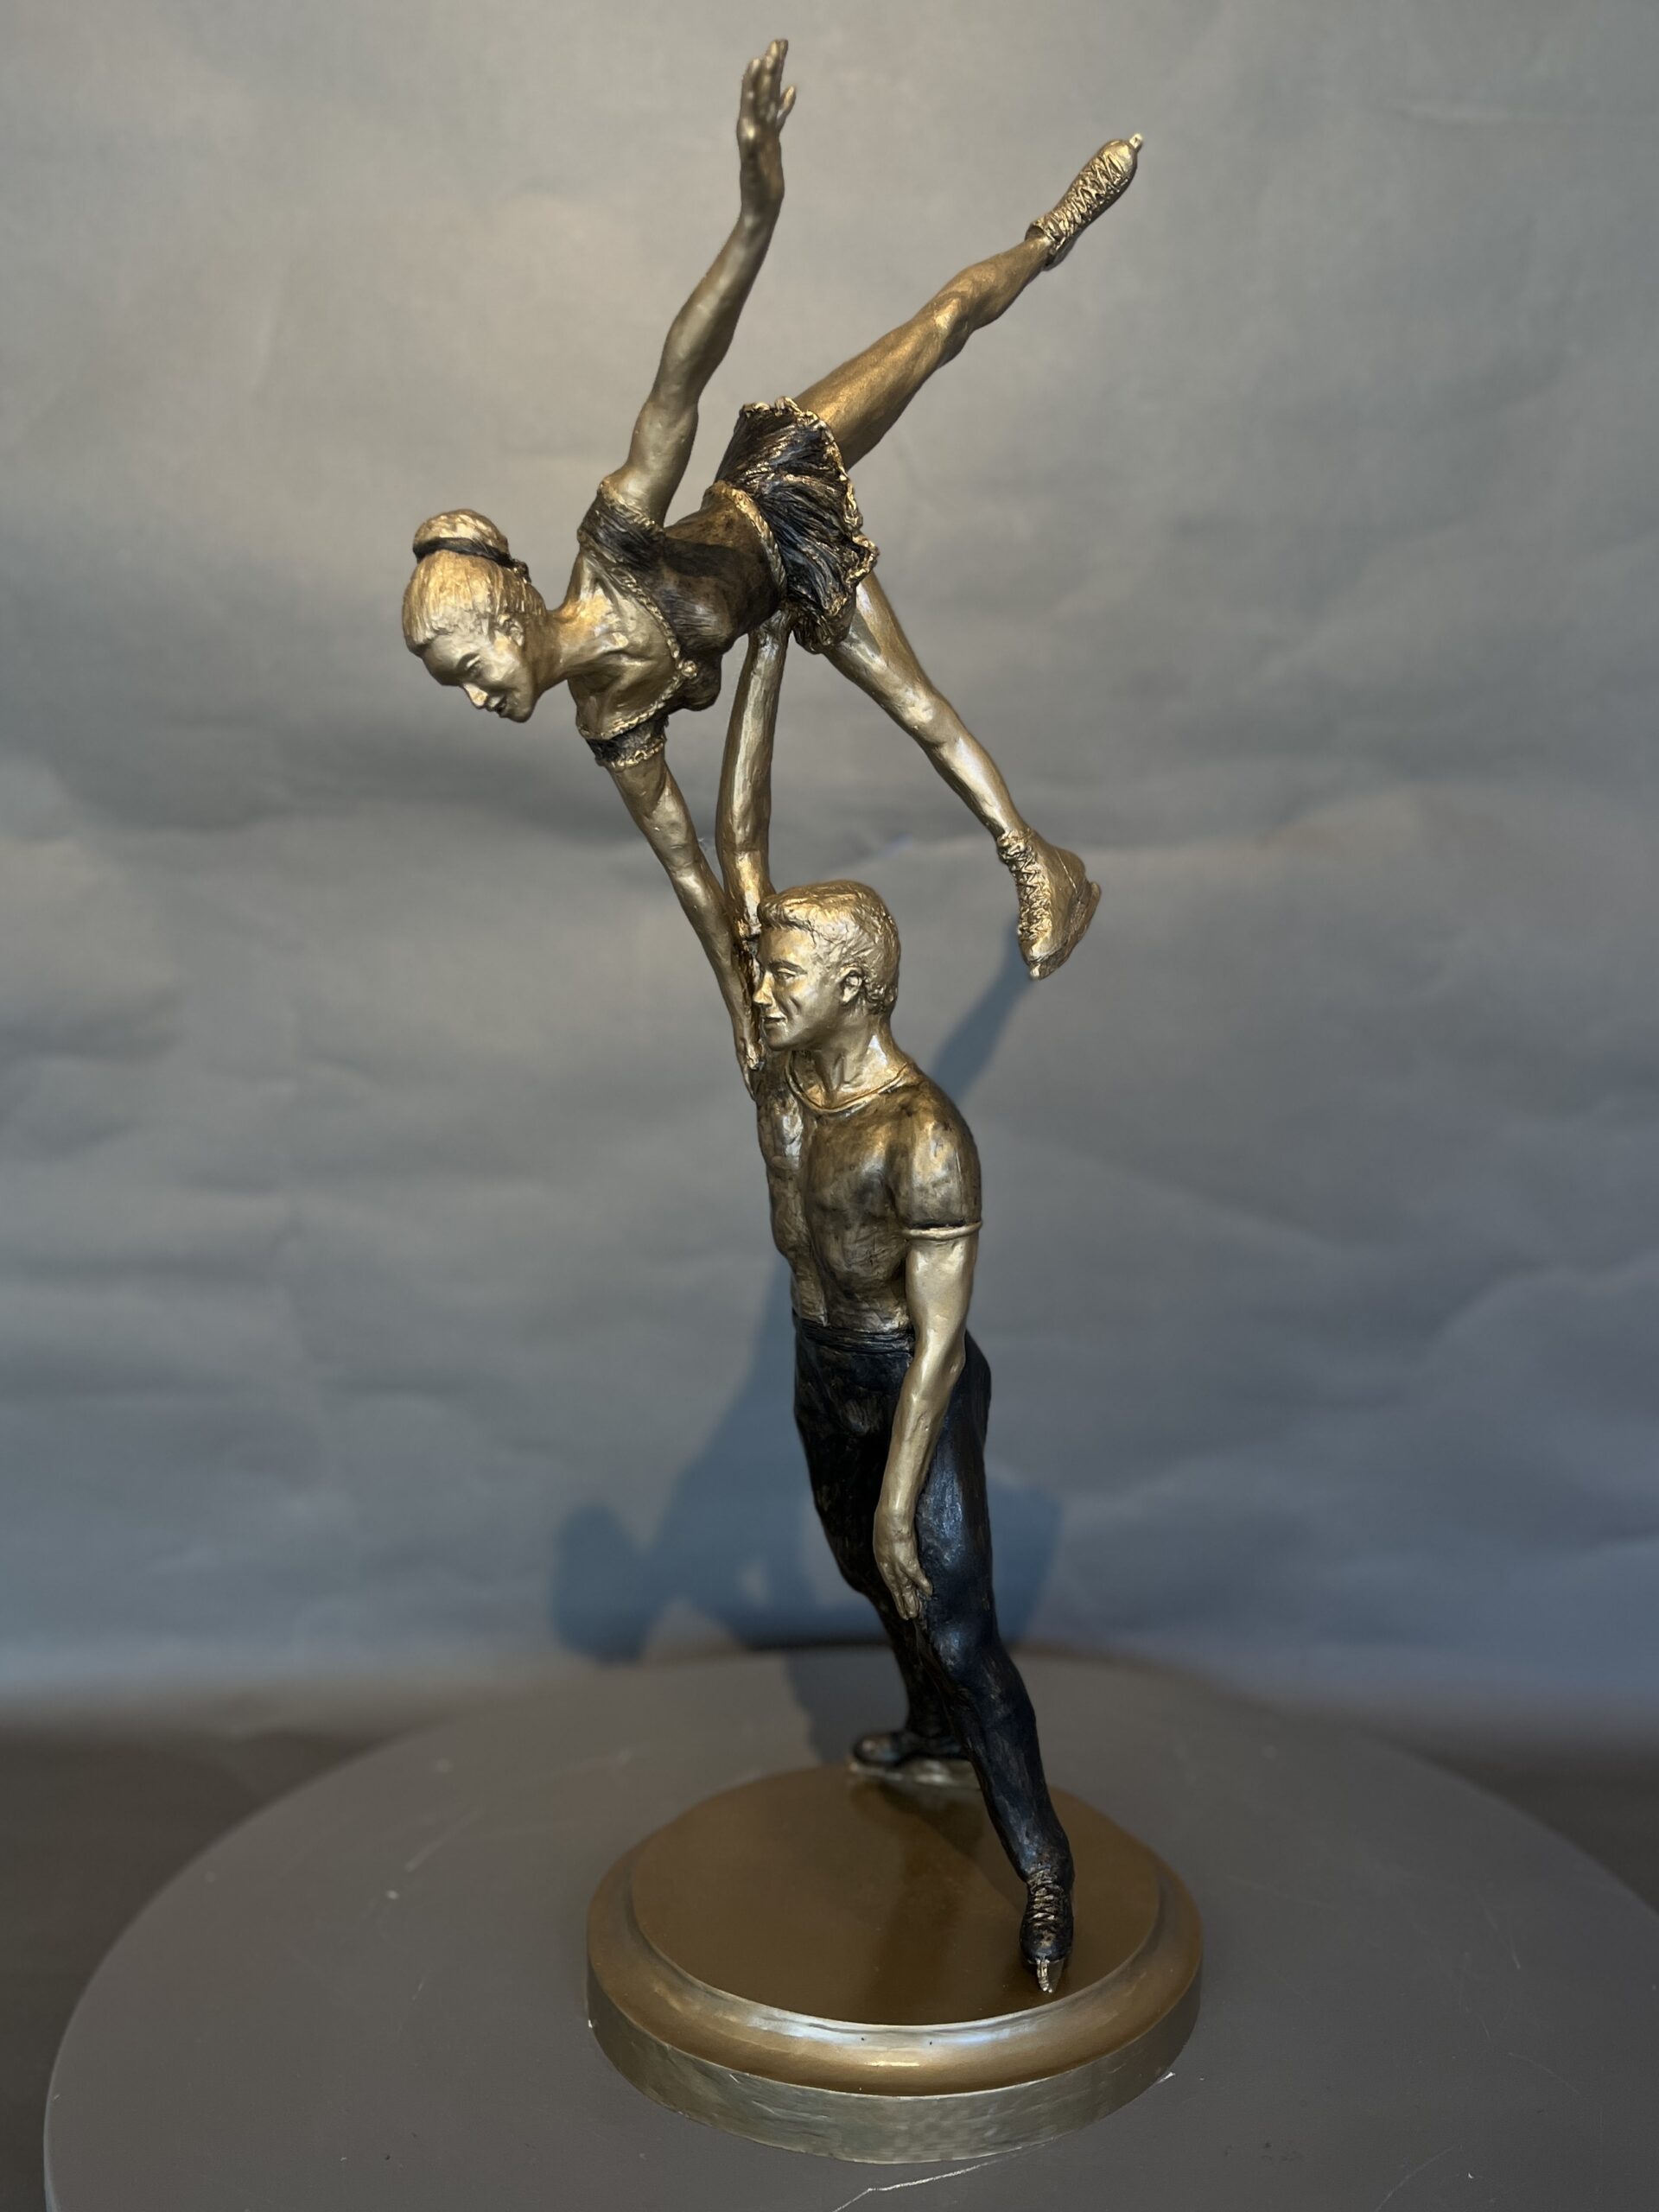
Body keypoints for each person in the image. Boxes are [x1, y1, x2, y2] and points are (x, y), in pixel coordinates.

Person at [404, 41, 1141, 1083]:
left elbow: (679, 378)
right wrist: (742, 1020)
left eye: (471, 670)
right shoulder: (613, 723)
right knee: (918, 705)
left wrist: (755, 218)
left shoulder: (611, 548)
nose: (478, 700)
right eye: (459, 689)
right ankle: (1042, 862)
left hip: (774, 489)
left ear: (512, 612)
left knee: (939, 326)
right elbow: (697, 879)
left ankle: (1053, 228)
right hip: (800, 594)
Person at [702, 613, 1076, 1992]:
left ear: (857, 989)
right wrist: (766, 648)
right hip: (823, 1366)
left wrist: (905, 1488)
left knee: (952, 1616)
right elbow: (739, 851)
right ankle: (926, 1733)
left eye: (788, 974)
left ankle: (1044, 1869)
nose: (762, 983)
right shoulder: (780, 1071)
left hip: (911, 1381)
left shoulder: (924, 1137)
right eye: (765, 969)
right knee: (870, 1578)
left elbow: (941, 1343)